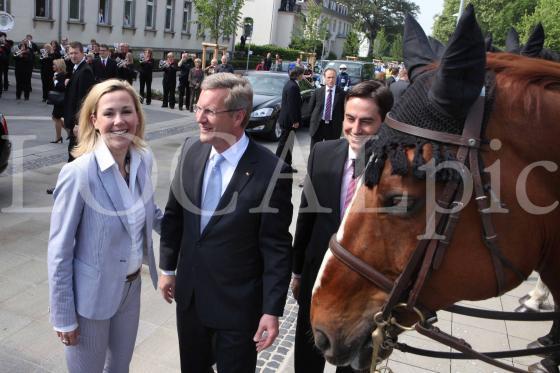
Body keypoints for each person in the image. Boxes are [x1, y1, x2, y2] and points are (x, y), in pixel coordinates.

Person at [158, 72, 293, 373]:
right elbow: (174, 215)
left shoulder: (272, 172)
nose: (199, 119)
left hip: (238, 309)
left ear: (238, 116)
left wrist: (272, 310)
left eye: (209, 111)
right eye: (198, 108)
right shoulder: (191, 150)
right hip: (191, 301)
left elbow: (277, 249)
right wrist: (167, 268)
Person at [48, 78, 162, 373]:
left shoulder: (143, 159)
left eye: (127, 111)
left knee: (120, 367)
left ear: (138, 116)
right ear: (94, 120)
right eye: (109, 113)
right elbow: (59, 251)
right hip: (91, 296)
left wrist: (201, 226)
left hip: (131, 289)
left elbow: (151, 212)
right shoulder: (78, 173)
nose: (119, 121)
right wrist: (63, 315)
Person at [291, 80, 393, 373]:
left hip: (365, 285)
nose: (356, 128)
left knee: (353, 362)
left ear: (384, 122)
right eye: (350, 119)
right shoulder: (322, 153)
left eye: (366, 121)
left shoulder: (394, 169)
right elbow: (306, 217)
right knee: (309, 354)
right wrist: (297, 271)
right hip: (318, 275)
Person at [63, 41, 95, 163]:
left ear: (83, 53)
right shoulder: (77, 68)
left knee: (74, 155)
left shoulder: (85, 71)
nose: (73, 56)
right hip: (74, 120)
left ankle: (73, 180)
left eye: (76, 53)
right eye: (70, 53)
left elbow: (83, 100)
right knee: (74, 153)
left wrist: (78, 123)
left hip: (79, 123)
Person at [308, 67, 345, 149]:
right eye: (329, 77)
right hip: (318, 126)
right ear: (324, 78)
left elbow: (344, 111)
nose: (331, 80)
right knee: (315, 150)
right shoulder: (318, 92)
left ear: (336, 78)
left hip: (333, 127)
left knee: (331, 151)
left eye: (333, 77)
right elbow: (311, 109)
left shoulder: (342, 94)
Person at [275, 66, 304, 172]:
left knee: (288, 144)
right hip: (288, 121)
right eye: (302, 74)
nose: (303, 76)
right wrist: (295, 121)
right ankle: (276, 164)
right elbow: (292, 106)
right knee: (283, 145)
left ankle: (287, 165)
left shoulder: (291, 84)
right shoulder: (293, 87)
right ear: (298, 75)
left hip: (287, 119)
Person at [50, 59, 67, 144]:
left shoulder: (61, 75)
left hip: (61, 100)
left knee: (56, 117)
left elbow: (62, 87)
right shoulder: (57, 74)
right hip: (59, 100)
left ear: (59, 66)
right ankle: (70, 133)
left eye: (54, 65)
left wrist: (55, 81)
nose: (53, 66)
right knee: (56, 117)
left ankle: (59, 137)